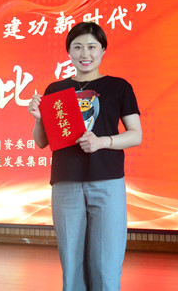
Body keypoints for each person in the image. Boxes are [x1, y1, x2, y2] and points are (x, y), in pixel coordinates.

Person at [28, 21, 142, 291]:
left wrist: (102, 142)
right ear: (69, 52)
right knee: (72, 264)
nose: (85, 53)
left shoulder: (119, 87)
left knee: (106, 263)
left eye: (92, 46)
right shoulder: (55, 90)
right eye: (77, 47)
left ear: (103, 50)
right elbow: (42, 142)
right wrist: (38, 119)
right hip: (66, 182)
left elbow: (135, 135)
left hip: (107, 182)